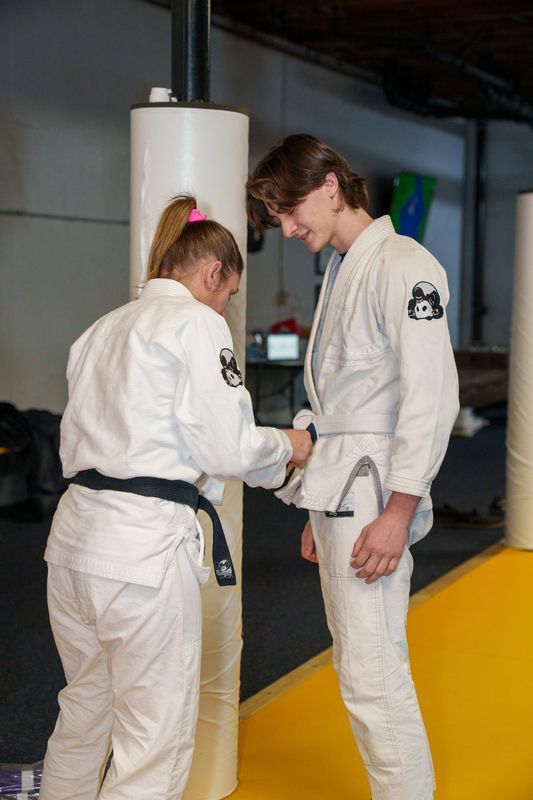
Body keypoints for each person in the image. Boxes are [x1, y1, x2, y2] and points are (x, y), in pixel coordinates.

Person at [39, 195, 313, 800]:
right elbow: (228, 448)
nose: (225, 306)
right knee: (153, 744)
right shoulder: (196, 323)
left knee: (84, 712)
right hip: (142, 554)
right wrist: (289, 445)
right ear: (213, 273)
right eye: (229, 294)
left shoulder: (100, 329)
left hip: (72, 545)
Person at [247, 134, 459, 800]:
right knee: (359, 660)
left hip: (374, 494)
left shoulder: (402, 263)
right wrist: (317, 503)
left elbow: (431, 396)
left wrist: (397, 511)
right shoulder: (345, 267)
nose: (287, 229)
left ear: (331, 185)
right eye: (278, 218)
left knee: (372, 669)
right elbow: (342, 406)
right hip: (345, 491)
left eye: (289, 210)